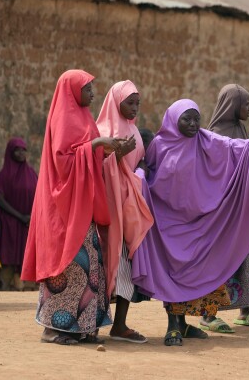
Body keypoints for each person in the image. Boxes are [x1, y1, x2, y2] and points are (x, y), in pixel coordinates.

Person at [131, 99, 249, 346]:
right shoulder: (158, 146)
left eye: (196, 119)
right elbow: (147, 175)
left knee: (193, 274)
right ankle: (172, 326)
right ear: (173, 120)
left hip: (200, 222)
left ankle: (182, 325)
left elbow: (237, 147)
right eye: (186, 119)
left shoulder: (206, 140)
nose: (192, 124)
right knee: (173, 274)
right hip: (168, 224)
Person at [21, 69, 124, 345]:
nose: (92, 93)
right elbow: (63, 163)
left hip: (83, 206)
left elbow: (88, 156)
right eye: (88, 88)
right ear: (72, 90)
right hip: (64, 209)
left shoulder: (85, 118)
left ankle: (82, 326)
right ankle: (54, 328)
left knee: (90, 266)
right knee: (69, 267)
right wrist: (97, 143)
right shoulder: (63, 118)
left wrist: (107, 148)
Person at [200, 84, 249, 333]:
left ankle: (247, 308)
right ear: (234, 106)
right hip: (223, 212)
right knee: (219, 260)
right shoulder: (214, 135)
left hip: (242, 209)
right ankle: (208, 314)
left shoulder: (240, 130)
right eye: (246, 104)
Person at [96, 80, 154, 343]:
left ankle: (119, 324)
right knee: (105, 264)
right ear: (116, 102)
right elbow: (95, 167)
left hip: (129, 205)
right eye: (129, 103)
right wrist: (117, 155)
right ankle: (93, 321)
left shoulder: (133, 130)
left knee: (127, 264)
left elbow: (139, 157)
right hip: (108, 208)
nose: (134, 108)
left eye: (137, 103)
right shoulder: (103, 129)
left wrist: (139, 168)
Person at [0, 138, 38, 291]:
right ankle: (4, 288)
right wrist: (20, 216)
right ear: (10, 152)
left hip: (28, 224)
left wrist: (32, 217)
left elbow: (40, 195)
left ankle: (27, 287)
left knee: (27, 256)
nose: (21, 153)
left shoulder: (31, 173)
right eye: (17, 150)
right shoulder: (4, 175)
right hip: (10, 223)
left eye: (23, 149)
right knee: (9, 258)